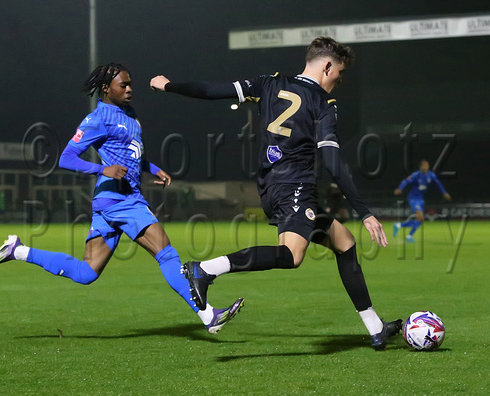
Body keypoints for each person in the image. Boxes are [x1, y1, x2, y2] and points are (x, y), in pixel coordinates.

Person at [150, 37, 402, 350]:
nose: (339, 80)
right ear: (327, 66)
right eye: (339, 72)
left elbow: (215, 90)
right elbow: (333, 162)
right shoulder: (323, 104)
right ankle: (204, 270)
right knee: (292, 256)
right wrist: (365, 211)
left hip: (272, 185)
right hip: (294, 186)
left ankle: (375, 327)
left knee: (344, 242)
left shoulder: (269, 83)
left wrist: (171, 85)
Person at [0, 63, 243, 334]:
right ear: (106, 88)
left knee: (86, 273)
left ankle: (18, 250)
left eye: (131, 84)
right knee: (166, 253)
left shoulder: (129, 113)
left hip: (112, 201)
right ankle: (207, 316)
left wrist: (153, 169)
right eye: (124, 85)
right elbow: (66, 158)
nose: (130, 89)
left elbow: (131, 155)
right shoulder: (98, 118)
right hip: (120, 200)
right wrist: (101, 168)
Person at [393, 159, 451, 243]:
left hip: (420, 199)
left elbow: (438, 183)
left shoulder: (431, 175)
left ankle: (400, 227)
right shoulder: (416, 175)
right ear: (420, 167)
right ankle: (408, 235)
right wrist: (400, 188)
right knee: (420, 217)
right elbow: (406, 181)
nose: (425, 167)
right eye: (423, 165)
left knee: (420, 219)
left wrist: (444, 192)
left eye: (426, 165)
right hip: (413, 198)